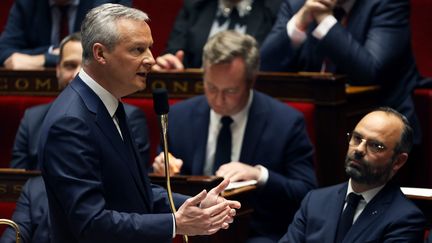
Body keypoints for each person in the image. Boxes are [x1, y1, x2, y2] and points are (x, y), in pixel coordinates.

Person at [38, 4, 240, 243]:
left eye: (150, 49)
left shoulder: (109, 104)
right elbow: (90, 223)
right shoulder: (70, 122)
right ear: (100, 54)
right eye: (138, 50)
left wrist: (193, 202)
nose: (151, 60)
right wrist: (175, 224)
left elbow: (134, 192)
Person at [152, 30, 317, 242]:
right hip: (193, 232)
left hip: (256, 234)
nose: (218, 99)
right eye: (211, 87)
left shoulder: (285, 122)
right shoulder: (180, 116)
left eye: (230, 91)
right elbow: (157, 189)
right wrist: (163, 171)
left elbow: (306, 192)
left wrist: (259, 175)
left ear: (250, 81)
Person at [259, 0, 422, 145]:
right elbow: (263, 68)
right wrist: (300, 22)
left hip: (378, 131)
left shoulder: (387, 4)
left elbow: (370, 72)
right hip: (307, 128)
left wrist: (325, 20)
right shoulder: (297, 5)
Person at [279, 107, 426, 243]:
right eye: (357, 138)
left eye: (376, 146)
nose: (359, 150)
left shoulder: (405, 219)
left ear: (398, 161)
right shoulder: (315, 201)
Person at [10, 32, 150, 170]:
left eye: (85, 67)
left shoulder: (128, 118)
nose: (77, 74)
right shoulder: (32, 119)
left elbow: (135, 185)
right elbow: (18, 182)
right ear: (58, 70)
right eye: (70, 65)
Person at [152, 0, 282, 71]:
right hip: (197, 94)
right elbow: (175, 51)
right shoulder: (195, 5)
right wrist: (170, 64)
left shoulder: (275, 8)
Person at [0, 0, 131, 70]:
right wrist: (54, 52)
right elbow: (4, 50)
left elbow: (110, 50)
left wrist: (47, 58)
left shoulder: (110, 2)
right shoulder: (27, 3)